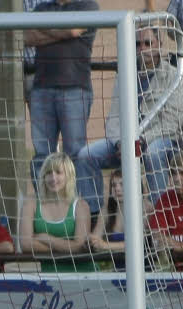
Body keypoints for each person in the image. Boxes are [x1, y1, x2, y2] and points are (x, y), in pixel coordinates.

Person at [76, 23, 183, 216]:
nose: (142, 48)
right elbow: (115, 116)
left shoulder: (174, 75)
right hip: (126, 142)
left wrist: (141, 141)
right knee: (86, 155)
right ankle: (93, 217)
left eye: (148, 43)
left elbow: (171, 122)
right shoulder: (125, 74)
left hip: (162, 140)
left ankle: (160, 218)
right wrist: (120, 142)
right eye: (137, 44)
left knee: (153, 153)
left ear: (159, 44)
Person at [24, 0, 98, 184]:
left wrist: (43, 27)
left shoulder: (87, 6)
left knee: (75, 153)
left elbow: (72, 29)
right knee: (42, 155)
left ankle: (81, 208)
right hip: (41, 89)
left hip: (75, 89)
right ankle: (45, 208)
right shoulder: (42, 8)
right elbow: (26, 36)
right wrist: (61, 32)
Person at [19, 151, 96, 272]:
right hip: (50, 275)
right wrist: (67, 246)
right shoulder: (31, 203)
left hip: (82, 274)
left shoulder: (81, 205)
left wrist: (47, 239)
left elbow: (80, 247)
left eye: (58, 173)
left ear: (68, 176)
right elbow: (26, 245)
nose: (53, 178)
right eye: (49, 173)